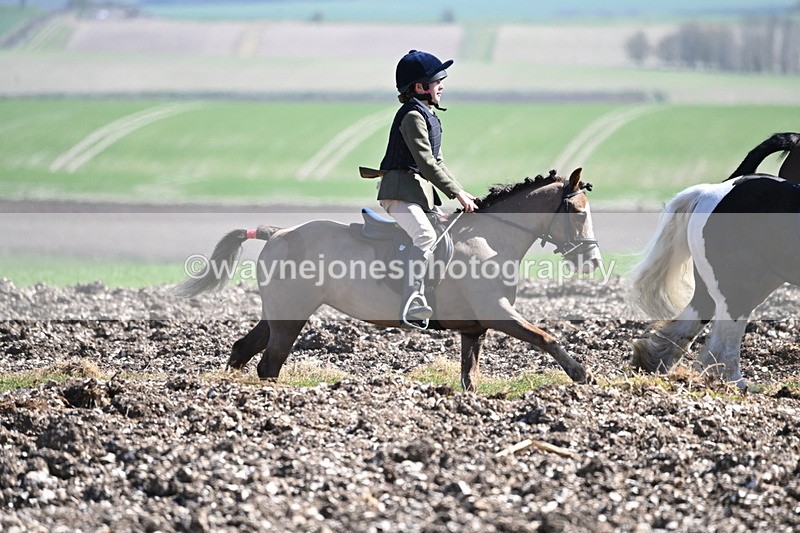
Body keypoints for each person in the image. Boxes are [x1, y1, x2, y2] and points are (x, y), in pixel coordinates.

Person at [374, 49, 479, 323]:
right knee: (425, 236)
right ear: (420, 87)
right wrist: (456, 193)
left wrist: (461, 191)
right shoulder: (412, 116)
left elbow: (438, 162)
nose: (441, 86)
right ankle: (412, 300)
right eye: (436, 82)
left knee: (445, 235)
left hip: (417, 195)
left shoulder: (428, 115)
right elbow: (426, 163)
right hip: (398, 194)